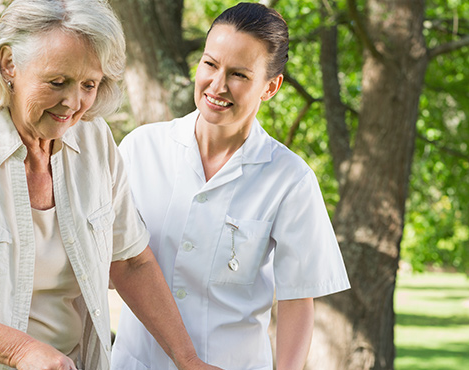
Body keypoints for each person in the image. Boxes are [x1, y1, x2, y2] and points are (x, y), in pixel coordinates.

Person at [0, 1, 219, 369]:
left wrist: (188, 359)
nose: (73, 103)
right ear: (9, 64)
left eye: (89, 84)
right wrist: (20, 351)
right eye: (57, 82)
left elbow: (131, 262)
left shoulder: (94, 140)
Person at [111, 3, 351, 370]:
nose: (217, 85)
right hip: (136, 363)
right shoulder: (140, 149)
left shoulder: (290, 179)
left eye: (238, 74)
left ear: (271, 87)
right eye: (210, 64)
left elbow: (297, 299)